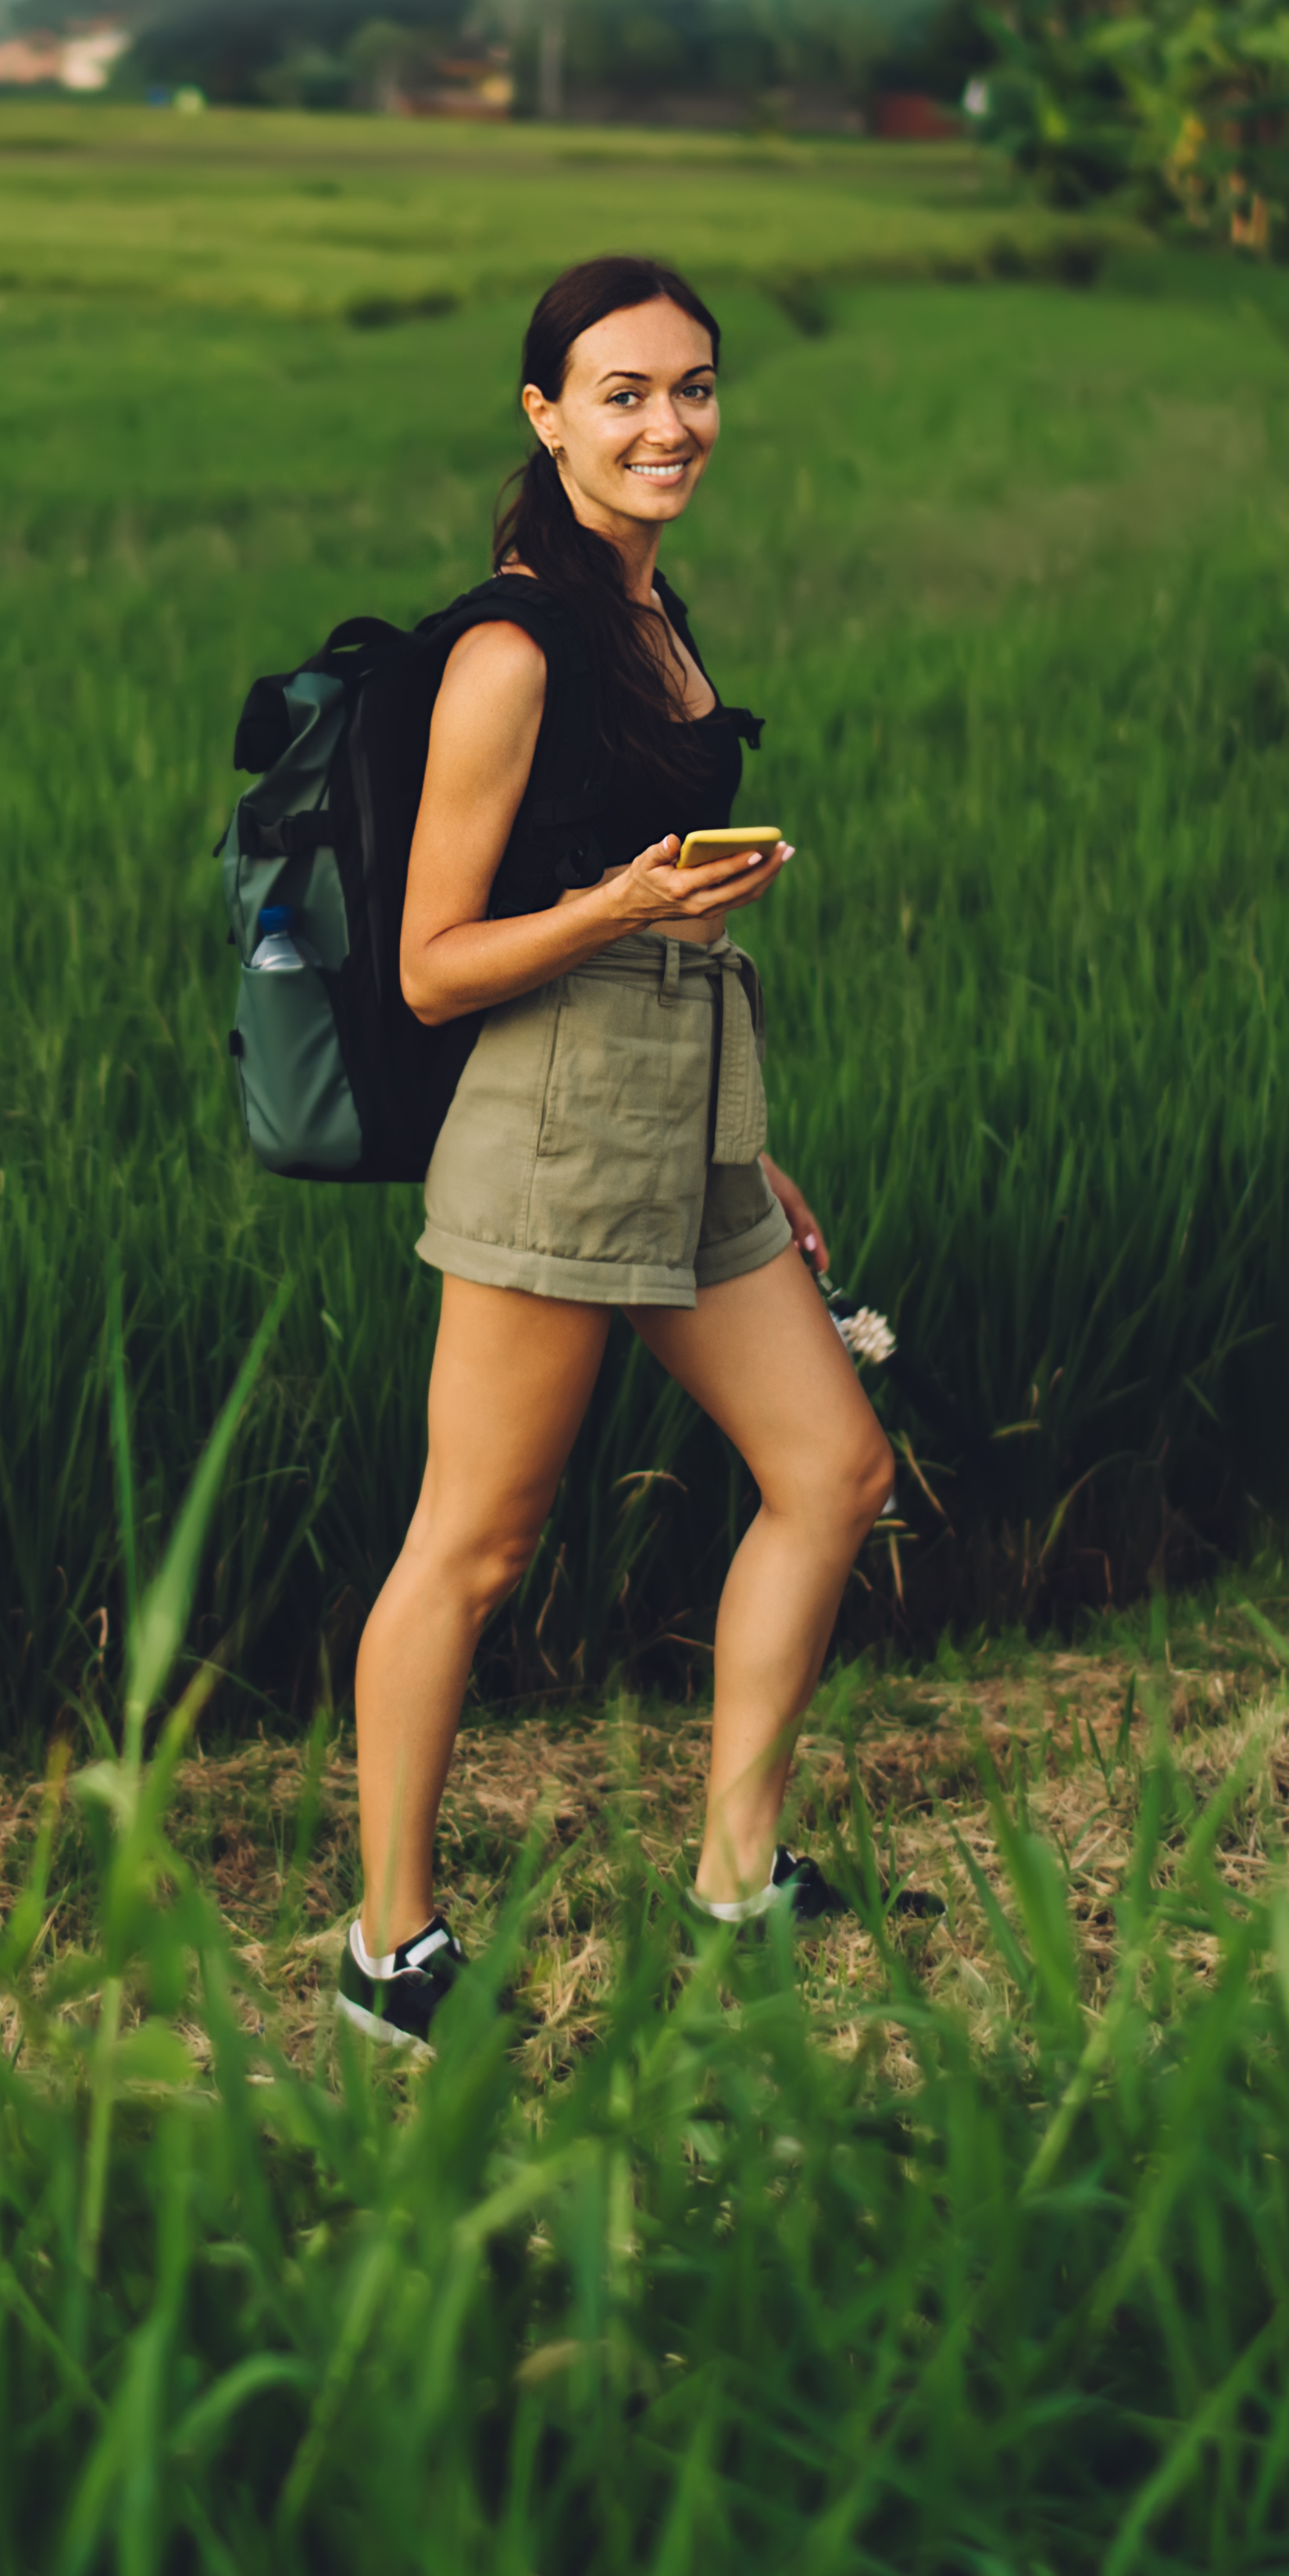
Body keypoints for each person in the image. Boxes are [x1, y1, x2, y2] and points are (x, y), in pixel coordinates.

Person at [334, 255, 899, 2052]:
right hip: (556, 1114)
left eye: (694, 389)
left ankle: (737, 1876)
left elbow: (668, 924)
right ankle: (389, 1948)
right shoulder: (509, 647)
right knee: (477, 1542)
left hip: (689, 1103)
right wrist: (623, 902)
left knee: (834, 1472)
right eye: (624, 394)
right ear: (544, 417)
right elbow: (431, 968)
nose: (669, 425)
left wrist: (753, 1148)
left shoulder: (661, 613)